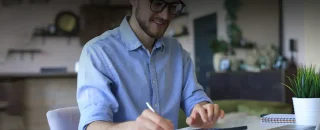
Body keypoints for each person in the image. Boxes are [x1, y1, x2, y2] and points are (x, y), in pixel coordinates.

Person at [77, 0, 225, 130]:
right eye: (157, 3)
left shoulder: (178, 52)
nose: (165, 15)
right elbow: (92, 125)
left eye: (173, 6)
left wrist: (203, 110)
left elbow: (193, 97)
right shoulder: (98, 52)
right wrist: (131, 128)